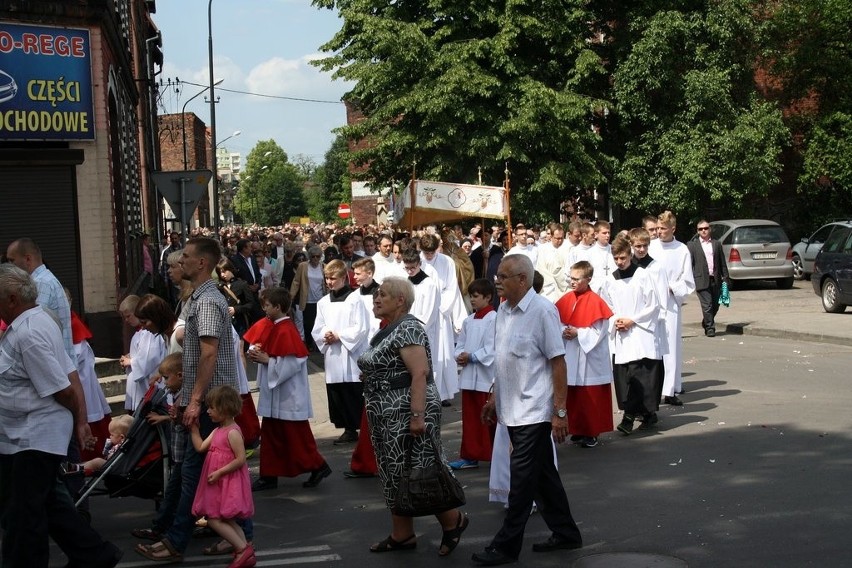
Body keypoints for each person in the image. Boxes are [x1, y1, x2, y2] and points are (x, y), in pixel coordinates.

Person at [0, 264, 122, 568]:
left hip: (32, 437)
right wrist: (79, 421)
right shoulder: (38, 320)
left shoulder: (28, 332)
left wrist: (80, 421)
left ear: (12, 298)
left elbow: (62, 387)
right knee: (50, 504)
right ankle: (95, 555)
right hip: (27, 435)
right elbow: (68, 373)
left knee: (24, 513)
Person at [136, 237, 240, 563]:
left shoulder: (208, 301)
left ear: (202, 264)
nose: (180, 263)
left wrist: (194, 401)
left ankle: (176, 542)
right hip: (201, 398)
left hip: (211, 401)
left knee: (193, 472)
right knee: (193, 471)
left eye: (187, 258)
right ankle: (229, 537)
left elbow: (208, 353)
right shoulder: (196, 298)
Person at [475, 254, 582, 566]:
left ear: (522, 279)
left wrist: (559, 412)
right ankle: (566, 533)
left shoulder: (542, 312)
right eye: (497, 275)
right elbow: (504, 358)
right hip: (511, 408)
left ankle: (505, 546)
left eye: (504, 276)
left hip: (534, 412)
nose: (497, 281)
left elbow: (558, 362)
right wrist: (495, 396)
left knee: (520, 485)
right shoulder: (504, 311)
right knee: (544, 477)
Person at [357, 277, 469, 556]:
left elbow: (419, 373)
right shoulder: (389, 329)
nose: (376, 299)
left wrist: (417, 416)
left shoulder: (408, 328)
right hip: (386, 413)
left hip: (406, 410)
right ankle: (402, 533)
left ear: (400, 300)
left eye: (382, 295)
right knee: (394, 472)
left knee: (420, 469)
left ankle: (454, 521)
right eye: (376, 295)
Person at [246, 288, 331, 491]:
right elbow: (256, 344)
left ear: (278, 307)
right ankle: (269, 475)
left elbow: (294, 362)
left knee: (296, 437)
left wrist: (268, 360)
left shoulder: (287, 329)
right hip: (274, 391)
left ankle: (318, 465)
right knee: (271, 435)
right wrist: (254, 351)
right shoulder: (271, 325)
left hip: (288, 393)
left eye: (267, 305)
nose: (264, 308)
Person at [599, 236, 662, 434]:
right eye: (616, 259)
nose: (620, 262)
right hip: (622, 334)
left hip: (640, 333)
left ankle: (629, 417)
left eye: (623, 258)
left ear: (630, 255)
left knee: (640, 376)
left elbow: (653, 304)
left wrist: (632, 320)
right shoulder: (610, 281)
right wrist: (616, 319)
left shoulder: (642, 276)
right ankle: (647, 413)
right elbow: (606, 306)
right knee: (625, 377)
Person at [190, 385, 256, 568]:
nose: (208, 411)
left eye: (212, 408)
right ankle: (245, 548)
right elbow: (201, 447)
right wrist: (194, 430)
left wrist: (220, 472)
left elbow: (241, 459)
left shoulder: (233, 432)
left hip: (227, 481)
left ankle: (243, 549)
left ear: (225, 409)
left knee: (213, 519)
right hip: (218, 482)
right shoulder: (218, 430)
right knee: (226, 519)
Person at [555, 261, 614, 448]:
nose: (572, 282)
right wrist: (564, 330)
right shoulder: (566, 298)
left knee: (590, 395)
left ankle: (591, 431)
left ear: (588, 279)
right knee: (573, 393)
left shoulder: (596, 301)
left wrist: (578, 333)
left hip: (589, 357)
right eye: (570, 278)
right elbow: (556, 320)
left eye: (576, 279)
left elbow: (599, 330)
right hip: (571, 352)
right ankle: (578, 429)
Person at [312, 259, 371, 445]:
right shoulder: (322, 302)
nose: (329, 282)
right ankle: (348, 428)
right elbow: (317, 328)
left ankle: (363, 426)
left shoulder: (356, 299)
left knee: (353, 390)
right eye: (326, 278)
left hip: (351, 352)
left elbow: (361, 327)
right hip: (333, 354)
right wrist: (325, 335)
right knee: (338, 391)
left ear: (344, 277)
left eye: (333, 278)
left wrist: (339, 335)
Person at [648, 211, 695, 405]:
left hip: (671, 302)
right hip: (652, 303)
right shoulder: (651, 247)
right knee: (653, 346)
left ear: (673, 229)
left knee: (671, 346)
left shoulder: (682, 249)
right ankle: (654, 388)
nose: (659, 232)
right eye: (658, 228)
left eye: (663, 229)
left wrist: (672, 287)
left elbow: (687, 280)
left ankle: (670, 390)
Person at [450, 278, 497, 470]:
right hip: (469, 377)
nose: (472, 300)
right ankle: (470, 455)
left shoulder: (494, 319)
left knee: (489, 418)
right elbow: (459, 344)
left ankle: (495, 454)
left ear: (488, 297)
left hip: (486, 377)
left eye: (476, 296)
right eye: (471, 296)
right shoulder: (468, 321)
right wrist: (459, 356)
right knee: (470, 420)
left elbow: (493, 348)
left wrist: (473, 357)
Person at [119, 295, 167, 412]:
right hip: (139, 385)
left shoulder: (149, 332)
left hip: (149, 382)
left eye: (128, 316)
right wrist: (130, 357)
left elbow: (150, 358)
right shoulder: (139, 332)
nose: (126, 320)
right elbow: (142, 353)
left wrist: (130, 361)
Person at [687, 220, 729, 337]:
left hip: (715, 279)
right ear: (697, 231)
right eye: (700, 229)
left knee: (716, 304)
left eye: (705, 228)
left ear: (709, 229)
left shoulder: (716, 244)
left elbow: (722, 263)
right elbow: (689, 264)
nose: (703, 231)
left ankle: (706, 321)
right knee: (707, 305)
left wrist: (725, 278)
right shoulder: (692, 245)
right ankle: (710, 328)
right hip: (700, 279)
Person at [66, 414, 134, 474]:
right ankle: (77, 467)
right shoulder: (129, 444)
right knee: (97, 461)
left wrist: (109, 453)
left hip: (117, 466)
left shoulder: (121, 446)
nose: (110, 436)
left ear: (121, 437)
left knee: (97, 462)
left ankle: (78, 468)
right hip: (116, 464)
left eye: (112, 435)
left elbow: (111, 457)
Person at [290, 245, 325, 350]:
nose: (315, 259)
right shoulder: (303, 266)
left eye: (318, 256)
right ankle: (309, 343)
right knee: (308, 323)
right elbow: (296, 282)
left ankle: (318, 344)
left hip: (319, 299)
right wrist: (291, 297)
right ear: (309, 256)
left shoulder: (323, 266)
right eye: (313, 256)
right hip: (307, 299)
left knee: (318, 323)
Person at [216, 258, 260, 339]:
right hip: (224, 323)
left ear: (230, 269)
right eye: (220, 272)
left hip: (239, 324)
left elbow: (251, 304)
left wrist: (236, 309)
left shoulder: (242, 285)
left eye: (224, 271)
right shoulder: (219, 287)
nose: (222, 275)